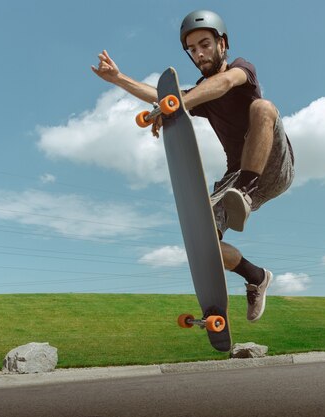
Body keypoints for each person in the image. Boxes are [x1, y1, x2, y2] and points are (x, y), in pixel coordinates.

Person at [92, 10, 294, 322]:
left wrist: (174, 106)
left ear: (222, 44)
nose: (199, 53)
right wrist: (119, 79)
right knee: (204, 238)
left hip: (273, 163)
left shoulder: (243, 68)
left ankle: (246, 190)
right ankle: (255, 275)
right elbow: (163, 96)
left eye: (205, 44)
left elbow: (225, 82)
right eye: (193, 50)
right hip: (234, 178)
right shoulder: (201, 92)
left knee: (263, 108)